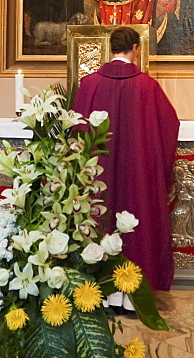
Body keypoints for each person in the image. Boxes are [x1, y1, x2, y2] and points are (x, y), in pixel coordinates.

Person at [72, 26, 180, 295]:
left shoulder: (90, 84)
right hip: (138, 174)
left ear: (111, 49)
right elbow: (169, 126)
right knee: (137, 213)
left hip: (99, 175)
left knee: (99, 214)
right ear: (136, 49)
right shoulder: (147, 86)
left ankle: (96, 290)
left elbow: (76, 131)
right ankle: (136, 291)